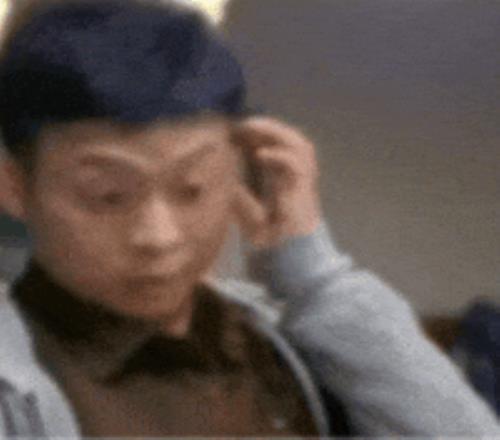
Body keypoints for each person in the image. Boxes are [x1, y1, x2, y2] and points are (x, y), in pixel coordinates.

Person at [0, 0, 497, 437]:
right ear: (15, 187)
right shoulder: (17, 379)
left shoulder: (285, 338)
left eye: (192, 189)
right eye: (107, 197)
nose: (159, 237)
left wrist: (317, 278)